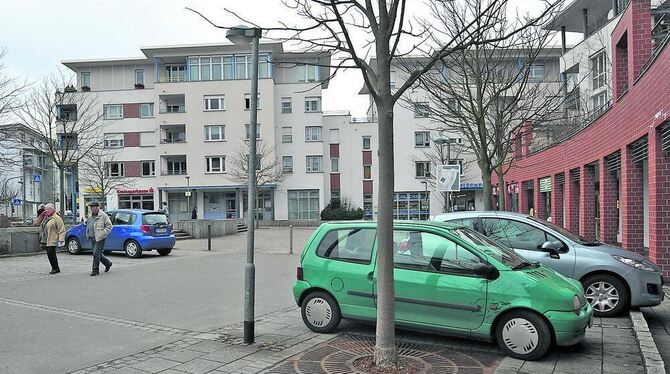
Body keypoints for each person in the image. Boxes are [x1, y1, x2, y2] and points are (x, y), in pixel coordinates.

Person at [34, 203, 64, 274]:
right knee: (50, 253)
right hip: (46, 238)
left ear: (52, 209)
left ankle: (55, 268)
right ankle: (56, 268)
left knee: (51, 252)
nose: (46, 211)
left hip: (53, 238)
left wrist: (61, 240)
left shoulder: (57, 218)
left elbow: (61, 229)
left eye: (48, 209)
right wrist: (41, 216)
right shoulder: (45, 217)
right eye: (46, 209)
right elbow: (35, 224)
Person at [86, 202, 113, 276]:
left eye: (93, 207)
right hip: (92, 237)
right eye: (91, 207)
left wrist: (102, 233)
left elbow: (109, 226)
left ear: (97, 207)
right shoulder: (90, 216)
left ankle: (95, 270)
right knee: (97, 253)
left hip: (99, 238)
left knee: (96, 253)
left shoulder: (103, 215)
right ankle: (108, 263)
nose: (92, 209)